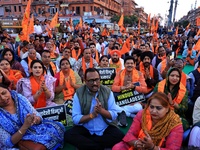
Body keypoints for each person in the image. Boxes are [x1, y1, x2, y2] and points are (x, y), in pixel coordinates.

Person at [64, 68, 124, 150]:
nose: (95, 83)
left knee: (119, 135)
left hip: (104, 128)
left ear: (99, 78)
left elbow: (114, 115)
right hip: (86, 129)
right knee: (69, 135)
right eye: (91, 81)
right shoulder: (79, 93)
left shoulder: (107, 91)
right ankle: (98, 146)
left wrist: (101, 111)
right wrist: (92, 115)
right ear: (85, 81)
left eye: (97, 80)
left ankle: (89, 146)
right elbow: (75, 119)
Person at [0, 83, 65, 149]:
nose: (2, 98)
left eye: (4, 93)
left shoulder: (19, 98)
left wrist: (36, 119)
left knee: (56, 129)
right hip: (16, 140)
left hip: (34, 129)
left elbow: (38, 116)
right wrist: (25, 126)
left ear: (9, 90)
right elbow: (8, 142)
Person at [112, 92, 183, 150]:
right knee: (117, 148)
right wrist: (136, 143)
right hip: (139, 146)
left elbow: (173, 148)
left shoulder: (175, 124)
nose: (154, 111)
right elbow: (130, 134)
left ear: (167, 109)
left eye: (159, 108)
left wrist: (152, 147)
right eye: (151, 107)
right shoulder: (142, 114)